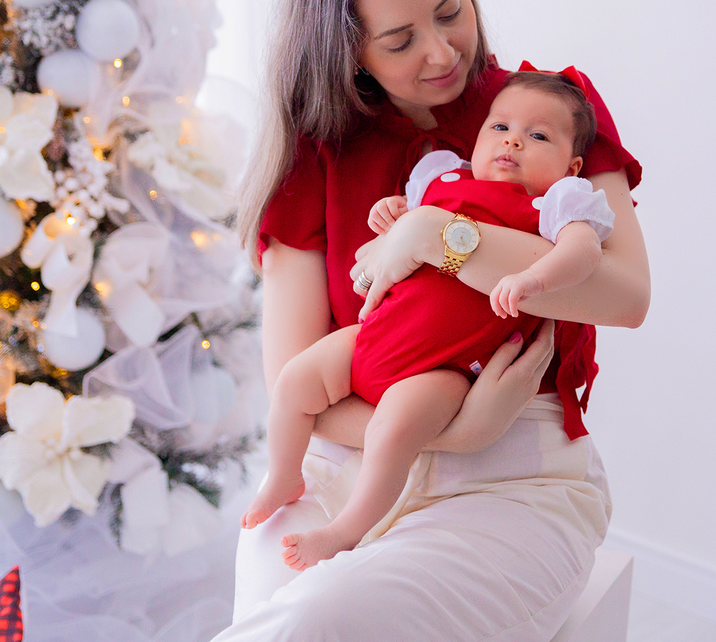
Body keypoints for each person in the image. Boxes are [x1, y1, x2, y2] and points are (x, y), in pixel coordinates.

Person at [220, 0, 649, 642]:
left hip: (515, 481)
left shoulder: (549, 112)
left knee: (316, 622)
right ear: (343, 48)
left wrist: (433, 238)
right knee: (278, 620)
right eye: (399, 40)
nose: (443, 51)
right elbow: (296, 379)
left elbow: (622, 295)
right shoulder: (314, 156)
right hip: (339, 470)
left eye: (451, 10)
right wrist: (454, 430)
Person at [240, 68, 618, 572]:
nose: (513, 142)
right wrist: (388, 216)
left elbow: (584, 253)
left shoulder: (553, 207)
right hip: (373, 335)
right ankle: (283, 476)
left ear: (571, 168)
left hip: (443, 370)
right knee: (294, 382)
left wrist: (535, 280)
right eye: (499, 127)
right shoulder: (442, 178)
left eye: (538, 136)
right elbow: (394, 242)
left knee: (392, 433)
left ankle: (344, 531)